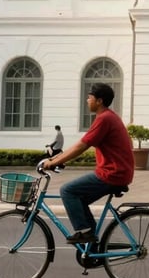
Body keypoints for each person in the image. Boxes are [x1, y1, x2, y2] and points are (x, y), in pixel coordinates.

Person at [40, 83, 134, 244]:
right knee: (79, 198)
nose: (87, 100)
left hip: (112, 173)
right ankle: (91, 242)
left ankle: (85, 232)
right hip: (118, 172)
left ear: (99, 101)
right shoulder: (110, 116)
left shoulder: (104, 118)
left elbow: (81, 146)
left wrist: (52, 162)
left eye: (89, 97)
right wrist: (57, 160)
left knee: (68, 191)